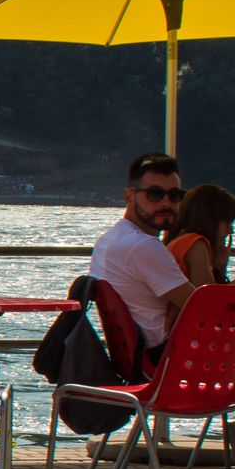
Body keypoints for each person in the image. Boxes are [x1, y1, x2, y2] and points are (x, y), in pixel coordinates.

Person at [87, 152, 193, 355]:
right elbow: (206, 309)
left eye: (175, 195)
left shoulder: (108, 240)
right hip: (173, 356)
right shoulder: (143, 246)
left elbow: (189, 301)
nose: (166, 203)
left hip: (137, 357)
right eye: (154, 194)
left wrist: (179, 303)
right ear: (129, 196)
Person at [165, 183, 235, 289]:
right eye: (228, 223)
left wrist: (220, 265)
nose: (230, 231)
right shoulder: (195, 244)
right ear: (211, 220)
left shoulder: (181, 241)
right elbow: (209, 299)